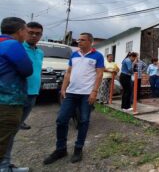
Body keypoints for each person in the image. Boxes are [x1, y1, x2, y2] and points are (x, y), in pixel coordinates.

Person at [43, 33, 104, 165]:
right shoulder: (74, 55)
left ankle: (78, 149)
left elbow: (99, 75)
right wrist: (63, 89)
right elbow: (68, 72)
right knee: (61, 120)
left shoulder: (97, 56)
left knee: (83, 121)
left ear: (90, 42)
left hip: (86, 94)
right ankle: (61, 149)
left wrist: (94, 92)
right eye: (78, 40)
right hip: (71, 93)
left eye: (82, 40)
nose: (79, 42)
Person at [1, 22, 44, 172]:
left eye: (37, 33)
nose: (33, 36)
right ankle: (4, 166)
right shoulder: (17, 46)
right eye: (30, 32)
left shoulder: (40, 52)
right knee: (7, 131)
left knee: (12, 131)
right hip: (15, 96)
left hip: (32, 94)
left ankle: (5, 164)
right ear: (24, 32)